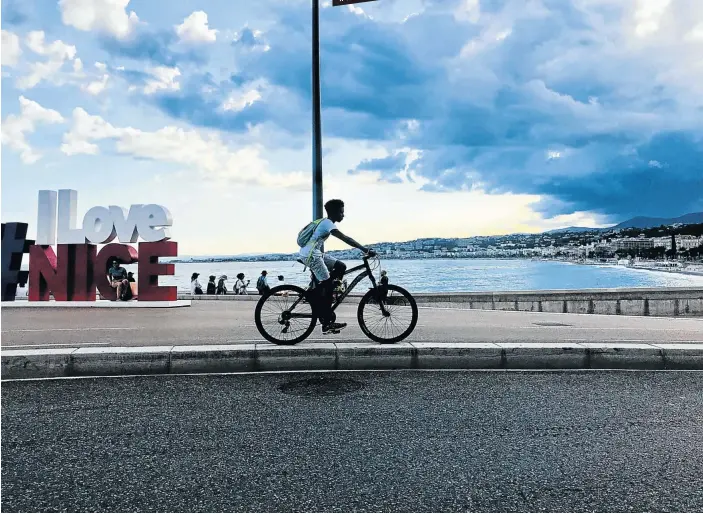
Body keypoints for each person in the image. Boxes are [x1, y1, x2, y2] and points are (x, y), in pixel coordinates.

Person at [298, 199, 375, 334]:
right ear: (333, 212)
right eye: (341, 212)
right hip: (311, 255)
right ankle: (326, 322)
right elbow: (345, 238)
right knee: (327, 285)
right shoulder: (328, 224)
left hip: (315, 253)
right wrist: (365, 250)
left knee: (340, 266)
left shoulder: (324, 222)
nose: (343, 215)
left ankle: (323, 291)